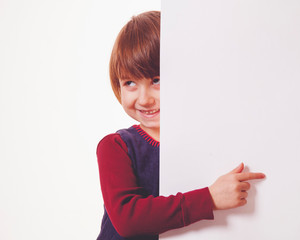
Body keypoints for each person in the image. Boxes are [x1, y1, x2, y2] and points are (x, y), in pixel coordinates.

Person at [96, 10, 265, 240]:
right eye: (130, 82)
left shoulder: (201, 141)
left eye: (156, 80)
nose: (144, 99)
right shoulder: (115, 146)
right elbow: (128, 219)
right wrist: (210, 198)